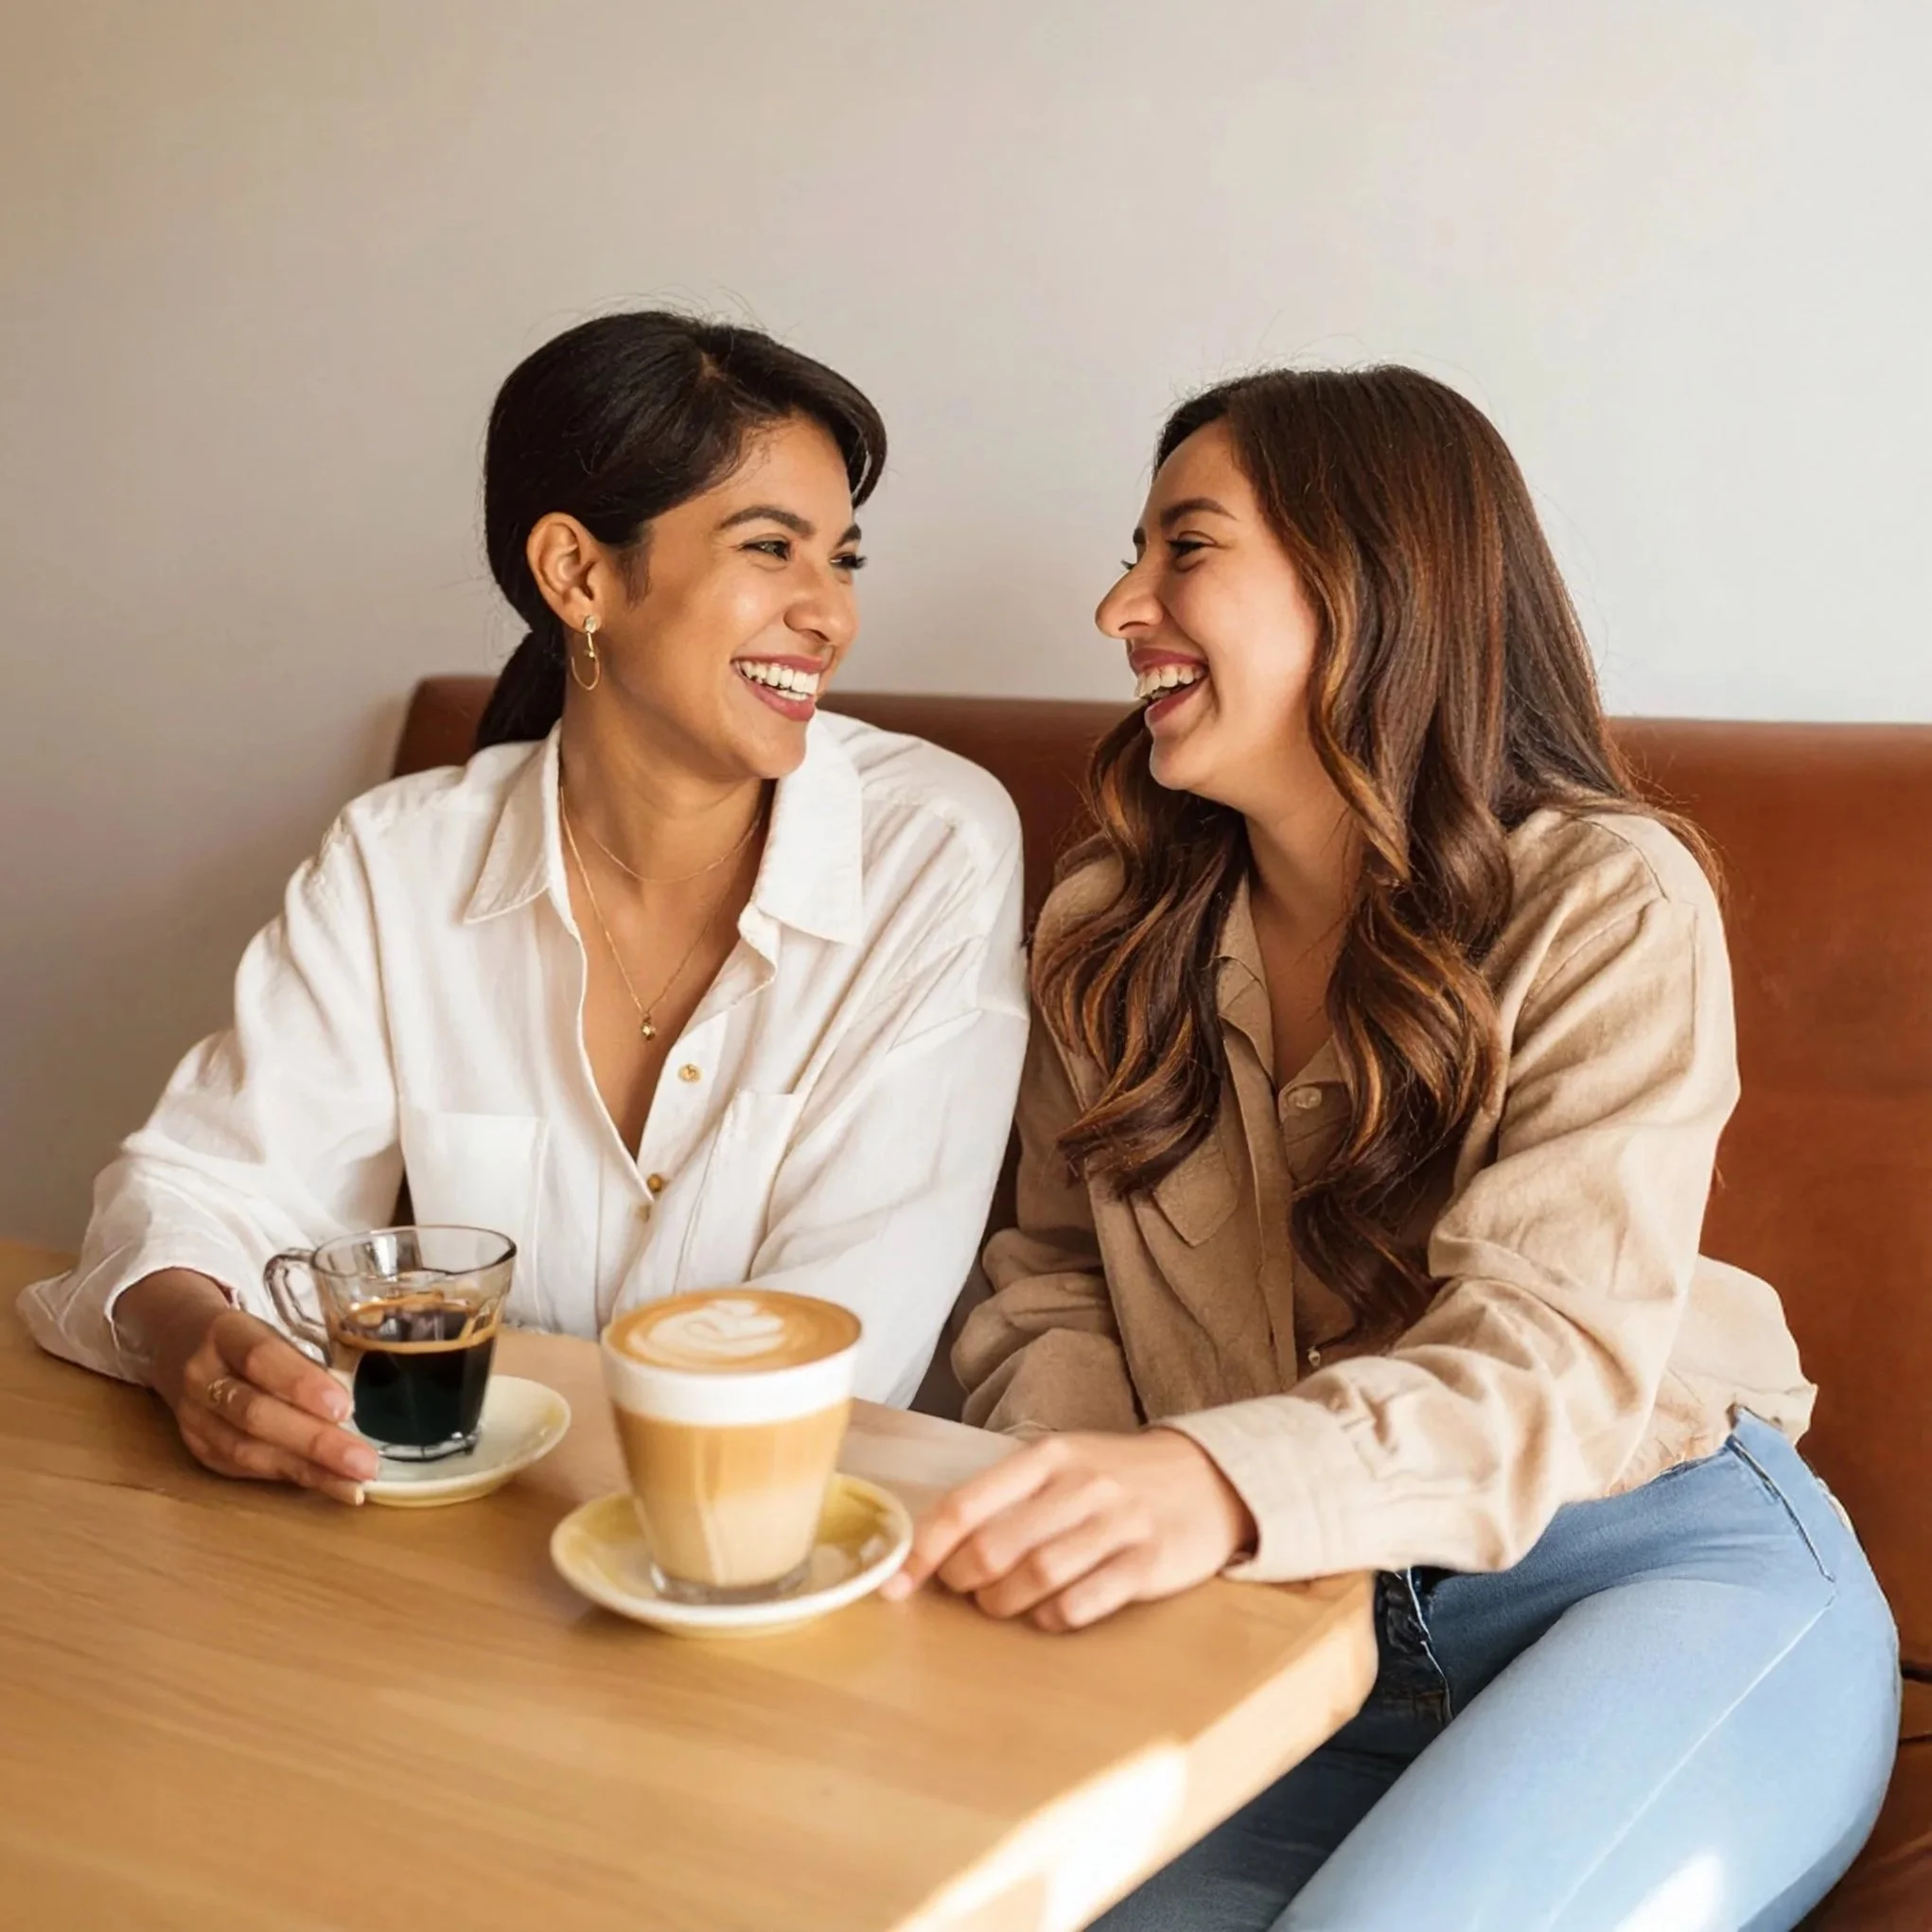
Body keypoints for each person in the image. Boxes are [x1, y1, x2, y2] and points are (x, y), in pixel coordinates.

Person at [883, 367, 1898, 1929]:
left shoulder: (1604, 899)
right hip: (1280, 1645)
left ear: (1365, 578)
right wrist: (1091, 1529)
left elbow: (1543, 1358)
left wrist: (1207, 1479)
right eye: (1131, 550)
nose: (1116, 603)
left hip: (1646, 1577)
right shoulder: (1110, 923)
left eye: (1183, 548)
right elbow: (1053, 1273)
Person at [22, 311, 1027, 1505]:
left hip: (777, 1547)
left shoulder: (928, 846)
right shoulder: (399, 860)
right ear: (578, 572)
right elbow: (207, 1188)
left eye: (842, 558)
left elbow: (835, 1339)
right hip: (449, 1539)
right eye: (772, 549)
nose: (832, 614)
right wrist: (195, 1340)